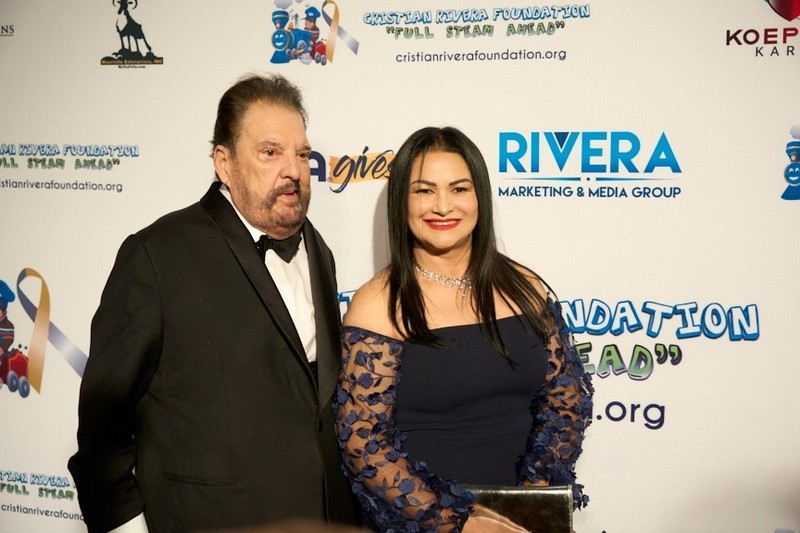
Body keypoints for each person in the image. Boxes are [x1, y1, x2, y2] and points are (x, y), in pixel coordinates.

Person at [68, 73, 360, 533]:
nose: (294, 170)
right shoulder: (156, 256)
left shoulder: (317, 249)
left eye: (302, 154)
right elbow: (102, 429)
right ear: (224, 163)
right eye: (270, 152)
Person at [333, 127, 593, 532]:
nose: (442, 206)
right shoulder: (378, 303)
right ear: (402, 200)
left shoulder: (524, 287)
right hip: (426, 522)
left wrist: (533, 497)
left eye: (458, 189)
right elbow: (362, 440)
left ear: (479, 197)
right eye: (424, 191)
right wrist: (457, 523)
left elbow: (566, 401)